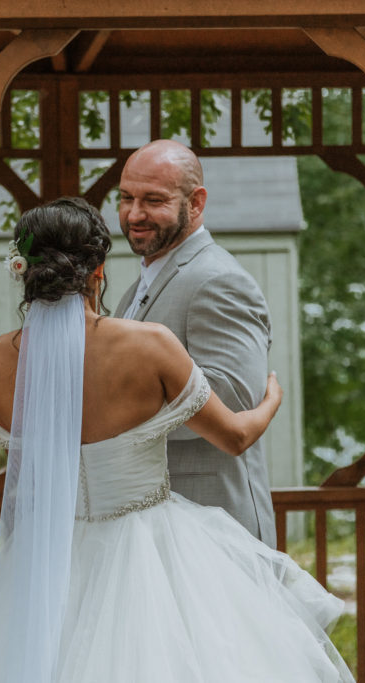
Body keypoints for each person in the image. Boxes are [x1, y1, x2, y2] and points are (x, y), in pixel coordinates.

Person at [0, 197, 353, 683]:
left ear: (24, 269)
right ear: (98, 270)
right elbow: (235, 437)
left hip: (48, 561)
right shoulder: (151, 345)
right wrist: (271, 398)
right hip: (151, 552)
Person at [116, 139, 277, 544]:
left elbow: (231, 400)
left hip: (211, 522)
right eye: (126, 198)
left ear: (196, 202)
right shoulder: (137, 288)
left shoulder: (217, 280)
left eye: (153, 200)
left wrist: (115, 410)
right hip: (150, 523)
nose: (135, 214)